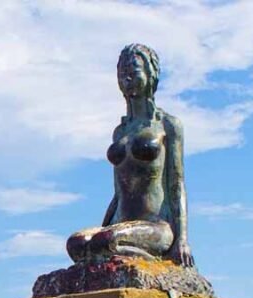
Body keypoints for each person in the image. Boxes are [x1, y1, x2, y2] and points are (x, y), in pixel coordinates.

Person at [66, 43, 195, 267]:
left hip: (155, 225)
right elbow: (118, 195)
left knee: (105, 241)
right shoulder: (120, 132)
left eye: (133, 71)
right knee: (77, 243)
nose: (126, 78)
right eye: (122, 73)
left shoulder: (168, 125)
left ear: (150, 74)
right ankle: (108, 254)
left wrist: (182, 240)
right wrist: (101, 229)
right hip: (120, 224)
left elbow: (177, 185)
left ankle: (146, 261)